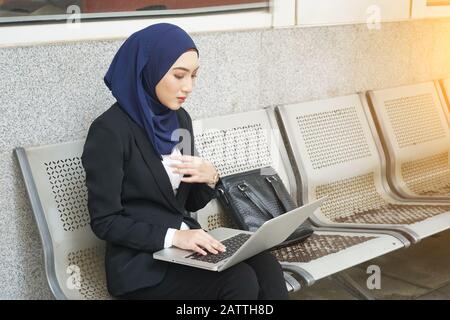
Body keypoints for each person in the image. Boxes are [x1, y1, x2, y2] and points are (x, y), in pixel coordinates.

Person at [81, 23, 289, 300]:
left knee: (266, 265)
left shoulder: (179, 119)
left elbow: (190, 203)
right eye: (179, 76)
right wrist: (173, 237)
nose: (188, 87)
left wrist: (211, 177)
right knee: (238, 281)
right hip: (142, 266)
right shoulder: (110, 131)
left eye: (193, 76)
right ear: (148, 71)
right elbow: (105, 221)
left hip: (185, 249)